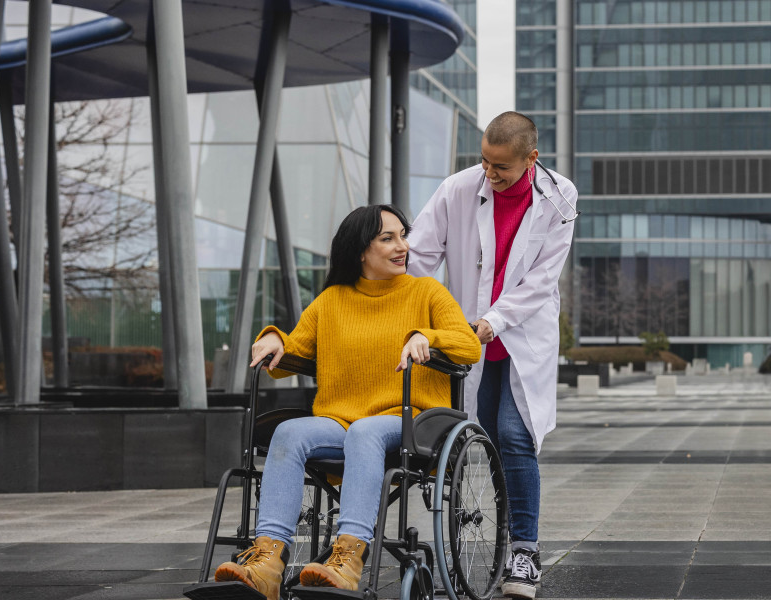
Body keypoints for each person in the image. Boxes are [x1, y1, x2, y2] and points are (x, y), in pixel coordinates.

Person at [212, 205, 481, 600]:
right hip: (341, 419)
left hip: (410, 419)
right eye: (388, 239)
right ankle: (267, 561)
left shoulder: (427, 292)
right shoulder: (332, 300)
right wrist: (274, 339)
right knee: (289, 432)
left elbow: (470, 346)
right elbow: (294, 351)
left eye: (402, 236)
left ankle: (348, 558)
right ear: (360, 251)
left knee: (365, 432)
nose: (402, 246)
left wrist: (428, 336)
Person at [407, 111, 578, 599]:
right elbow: (419, 256)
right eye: (484, 160)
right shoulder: (458, 188)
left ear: (531, 159)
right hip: (468, 337)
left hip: (523, 335)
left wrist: (496, 319)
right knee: (472, 437)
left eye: (500, 166)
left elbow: (543, 280)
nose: (489, 173)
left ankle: (524, 550)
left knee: (513, 434)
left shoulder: (560, 197)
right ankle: (478, 543)